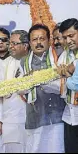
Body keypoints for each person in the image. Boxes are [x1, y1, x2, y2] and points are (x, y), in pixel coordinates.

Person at [20, 24, 65, 153]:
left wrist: (37, 80)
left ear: (49, 40)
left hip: (58, 118)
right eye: (35, 39)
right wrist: (27, 83)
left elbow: (63, 87)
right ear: (29, 42)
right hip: (35, 118)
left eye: (42, 38)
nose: (38, 43)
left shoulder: (60, 56)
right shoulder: (23, 62)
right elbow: (20, 90)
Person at [1, 30, 29, 152]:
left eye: (14, 43)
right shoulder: (6, 63)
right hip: (11, 120)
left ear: (25, 45)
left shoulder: (34, 62)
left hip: (32, 120)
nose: (10, 46)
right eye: (10, 43)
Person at [57, 18, 78, 153]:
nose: (68, 41)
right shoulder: (64, 56)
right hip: (70, 115)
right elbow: (60, 83)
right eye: (65, 37)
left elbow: (74, 84)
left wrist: (68, 76)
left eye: (71, 36)